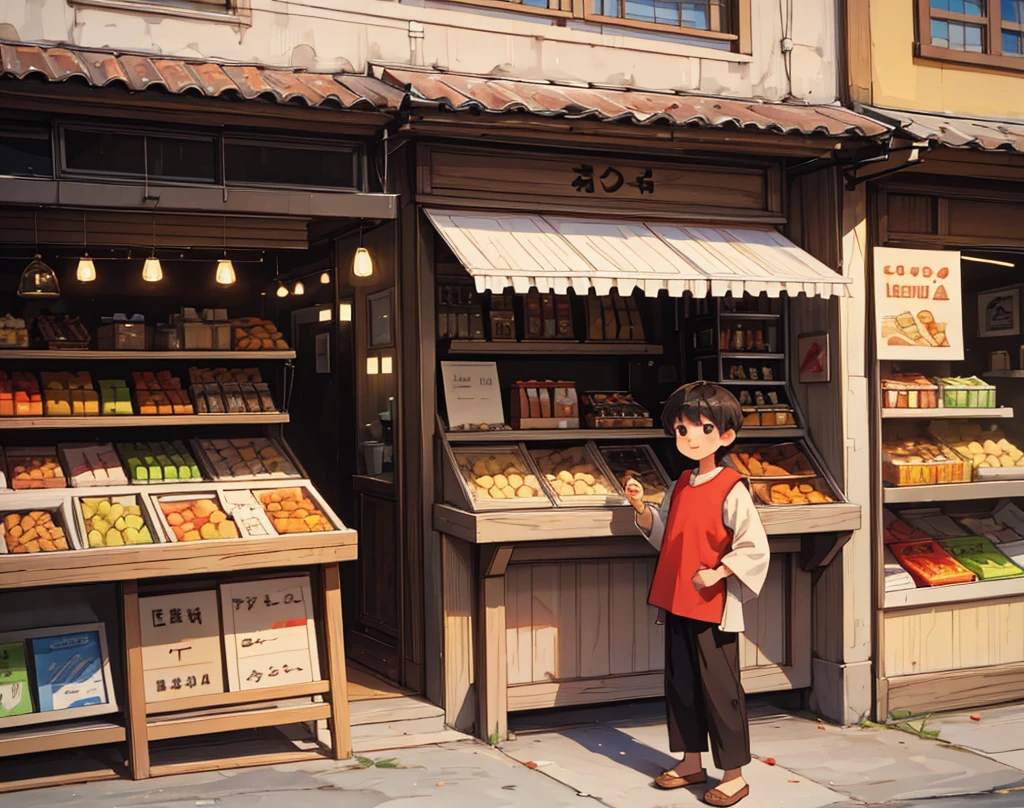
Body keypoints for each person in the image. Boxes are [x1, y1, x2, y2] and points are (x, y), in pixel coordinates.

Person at [625, 381, 770, 808]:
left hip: (713, 606)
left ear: (725, 436)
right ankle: (690, 760)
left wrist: (720, 572)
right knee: (682, 684)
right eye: (681, 429)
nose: (689, 438)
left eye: (702, 428)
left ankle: (734, 774)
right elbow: (666, 534)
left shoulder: (733, 488)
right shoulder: (681, 482)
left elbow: (754, 546)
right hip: (677, 599)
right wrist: (641, 510)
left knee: (720, 688)